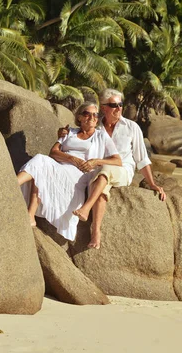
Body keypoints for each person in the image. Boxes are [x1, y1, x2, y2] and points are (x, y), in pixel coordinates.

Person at [64, 89, 166, 249]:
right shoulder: (96, 126)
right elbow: (79, 135)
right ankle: (96, 231)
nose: (119, 108)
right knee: (101, 187)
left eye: (120, 104)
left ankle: (86, 208)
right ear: (104, 107)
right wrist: (64, 132)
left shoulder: (132, 127)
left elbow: (142, 159)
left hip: (123, 171)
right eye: (114, 105)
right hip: (98, 172)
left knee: (105, 170)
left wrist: (152, 183)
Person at [17, 102, 122, 241]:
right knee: (40, 160)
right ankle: (28, 212)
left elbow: (117, 161)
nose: (92, 117)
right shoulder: (69, 132)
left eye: (95, 115)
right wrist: (72, 158)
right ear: (79, 117)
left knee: (42, 165)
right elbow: (53, 152)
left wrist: (96, 161)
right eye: (87, 113)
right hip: (60, 166)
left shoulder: (101, 136)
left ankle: (13, 186)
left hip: (78, 176)